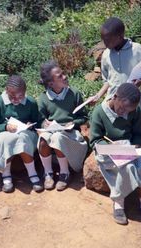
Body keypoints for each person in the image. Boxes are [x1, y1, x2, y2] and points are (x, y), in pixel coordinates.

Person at [90, 17, 141, 177]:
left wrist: (140, 81)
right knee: (118, 133)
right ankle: (125, 165)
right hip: (114, 101)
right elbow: (108, 81)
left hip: (133, 101)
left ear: (119, 36)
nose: (104, 42)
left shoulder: (136, 49)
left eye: (107, 39)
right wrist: (98, 95)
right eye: (102, 38)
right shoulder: (105, 55)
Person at [90, 83, 141, 227]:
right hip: (107, 153)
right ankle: (118, 204)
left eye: (128, 110)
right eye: (122, 108)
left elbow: (139, 135)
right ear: (115, 97)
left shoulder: (134, 111)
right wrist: (112, 147)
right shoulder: (99, 112)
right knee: (126, 166)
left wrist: (134, 146)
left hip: (129, 150)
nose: (124, 112)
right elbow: (95, 141)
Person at [0, 75, 42, 193]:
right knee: (7, 138)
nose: (16, 99)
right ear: (6, 90)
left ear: (25, 92)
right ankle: (6, 175)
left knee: (22, 137)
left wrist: (31, 124)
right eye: (12, 96)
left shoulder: (30, 102)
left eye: (20, 96)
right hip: (3, 135)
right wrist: (5, 127)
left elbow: (38, 122)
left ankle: (32, 173)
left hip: (26, 135)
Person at [37, 60, 88, 191]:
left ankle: (65, 173)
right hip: (53, 130)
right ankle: (48, 173)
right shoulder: (43, 98)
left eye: (63, 73)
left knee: (58, 138)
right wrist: (45, 123)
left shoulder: (74, 93)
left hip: (70, 132)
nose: (65, 77)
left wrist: (74, 123)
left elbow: (83, 117)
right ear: (51, 83)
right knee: (43, 139)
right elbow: (40, 119)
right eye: (60, 76)